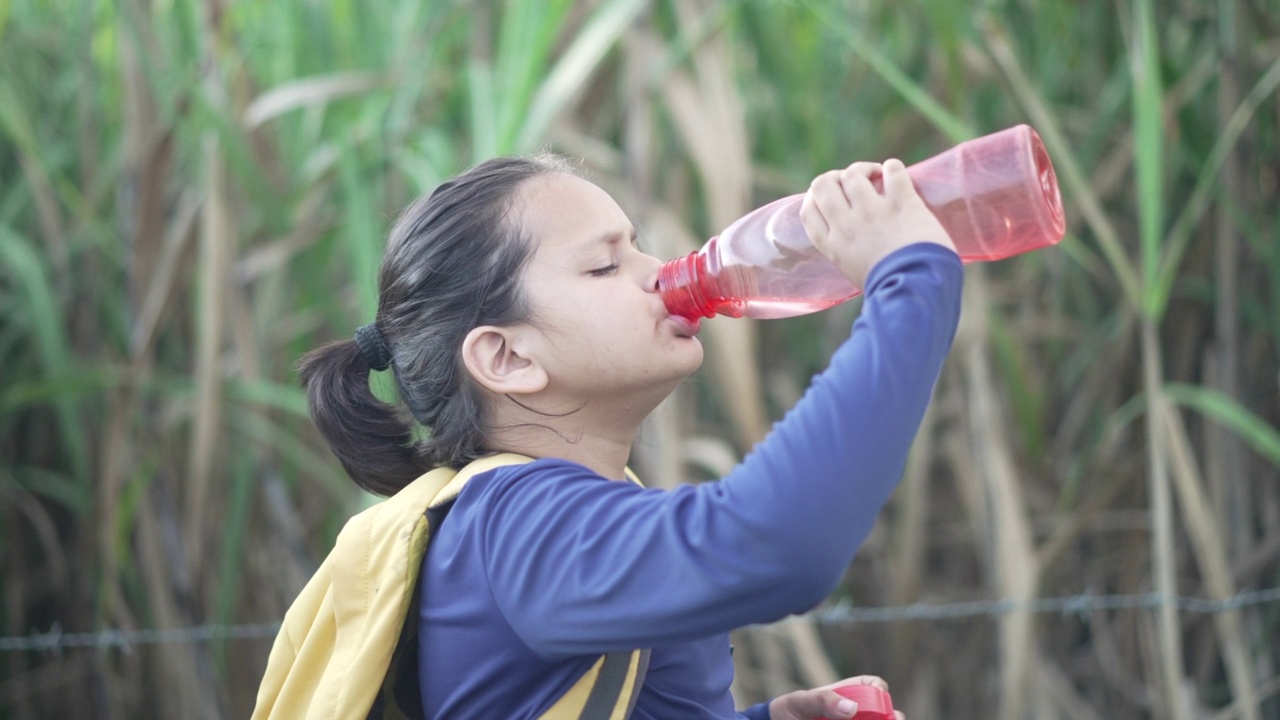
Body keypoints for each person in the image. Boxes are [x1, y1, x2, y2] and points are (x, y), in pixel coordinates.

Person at [294, 153, 962, 719]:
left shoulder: (566, 513)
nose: (659, 270)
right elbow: (776, 545)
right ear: (508, 359)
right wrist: (909, 277)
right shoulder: (516, 526)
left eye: (638, 245)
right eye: (605, 267)